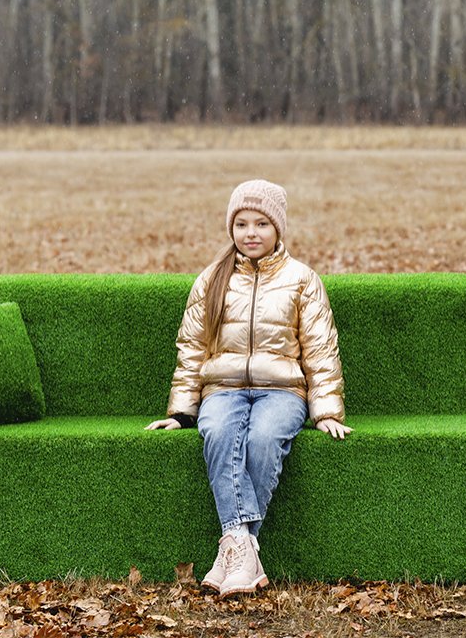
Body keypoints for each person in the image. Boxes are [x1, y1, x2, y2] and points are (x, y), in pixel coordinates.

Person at [145, 179, 351, 598]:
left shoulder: (302, 280)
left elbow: (320, 349)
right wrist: (181, 412)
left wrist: (326, 411)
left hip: (283, 392)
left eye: (261, 223)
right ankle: (244, 550)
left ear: (278, 228)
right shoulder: (212, 279)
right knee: (219, 432)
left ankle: (233, 552)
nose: (251, 233)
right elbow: (192, 348)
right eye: (241, 224)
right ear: (231, 228)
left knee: (263, 438)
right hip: (222, 390)